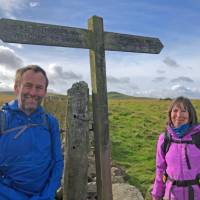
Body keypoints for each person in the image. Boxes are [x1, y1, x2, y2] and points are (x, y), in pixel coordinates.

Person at [0, 65, 64, 200]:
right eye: (28, 85)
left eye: (39, 88)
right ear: (17, 88)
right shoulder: (2, 119)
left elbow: (57, 162)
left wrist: (47, 195)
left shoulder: (50, 122)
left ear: (45, 92)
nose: (33, 93)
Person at [151, 96, 200, 200]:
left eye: (183, 111)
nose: (178, 115)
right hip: (171, 196)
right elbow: (160, 168)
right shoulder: (164, 139)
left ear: (190, 114)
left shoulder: (198, 136)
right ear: (170, 113)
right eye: (175, 110)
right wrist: (156, 194)